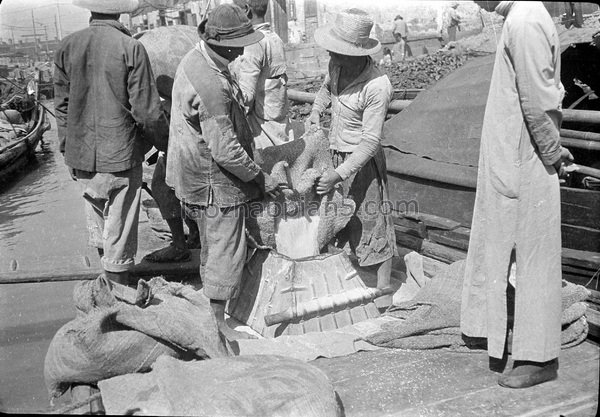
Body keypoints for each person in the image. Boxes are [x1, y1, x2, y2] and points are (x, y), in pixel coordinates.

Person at [461, 1, 574, 389]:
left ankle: (539, 356)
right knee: (512, 250)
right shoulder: (518, 18)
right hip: (515, 154)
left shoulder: (524, 21)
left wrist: (553, 153)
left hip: (527, 158)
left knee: (535, 255)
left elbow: (538, 102)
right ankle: (504, 333)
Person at [166, 4, 281, 341]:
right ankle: (217, 326)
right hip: (212, 181)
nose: (243, 50)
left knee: (213, 246)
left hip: (190, 172)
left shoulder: (196, 58)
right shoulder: (212, 86)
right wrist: (261, 177)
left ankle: (211, 312)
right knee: (224, 251)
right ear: (224, 44)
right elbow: (227, 151)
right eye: (240, 44)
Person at [53, 0, 169, 286]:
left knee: (100, 231)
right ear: (120, 11)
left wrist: (67, 149)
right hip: (120, 155)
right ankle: (118, 300)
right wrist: (165, 142)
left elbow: (62, 108)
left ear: (91, 10)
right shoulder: (131, 48)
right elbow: (147, 112)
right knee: (119, 236)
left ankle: (106, 294)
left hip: (81, 158)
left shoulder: (67, 46)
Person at [305, 8, 397, 308]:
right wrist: (316, 111)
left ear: (359, 54)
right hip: (334, 152)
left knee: (370, 220)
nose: (333, 57)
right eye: (333, 52)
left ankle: (383, 288)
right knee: (337, 216)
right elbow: (324, 90)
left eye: (339, 53)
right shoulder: (336, 67)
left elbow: (371, 140)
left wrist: (341, 172)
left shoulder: (377, 85)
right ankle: (344, 271)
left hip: (362, 160)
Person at [230, 0, 293, 149]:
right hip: (278, 122)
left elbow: (246, 97)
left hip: (262, 131)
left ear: (246, 10)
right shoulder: (274, 38)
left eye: (235, 10)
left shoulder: (253, 43)